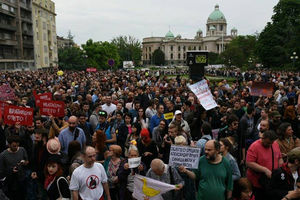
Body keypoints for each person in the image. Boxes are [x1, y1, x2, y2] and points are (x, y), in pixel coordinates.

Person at [246, 130, 283, 200]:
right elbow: (249, 163)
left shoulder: (275, 144)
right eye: (268, 143)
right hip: (257, 182)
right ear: (262, 138)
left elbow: (280, 158)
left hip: (271, 182)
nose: (270, 145)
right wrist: (265, 170)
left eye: (271, 143)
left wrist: (280, 169)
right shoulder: (254, 146)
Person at [0, 135, 29, 200]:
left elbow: (27, 161)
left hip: (22, 179)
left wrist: (24, 162)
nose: (16, 147)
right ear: (9, 145)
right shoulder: (3, 155)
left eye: (17, 145)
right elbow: (1, 171)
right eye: (14, 146)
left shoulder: (22, 150)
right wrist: (11, 170)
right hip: (10, 182)